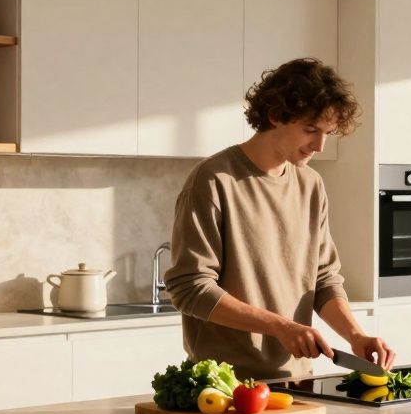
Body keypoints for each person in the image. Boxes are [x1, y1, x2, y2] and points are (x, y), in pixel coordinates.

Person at [164, 58, 395, 380]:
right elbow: (190, 288)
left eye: (328, 133)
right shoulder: (214, 180)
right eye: (310, 130)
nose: (319, 145)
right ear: (275, 116)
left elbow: (324, 279)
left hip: (298, 378)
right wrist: (280, 326)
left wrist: (355, 336)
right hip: (227, 382)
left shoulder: (310, 184)